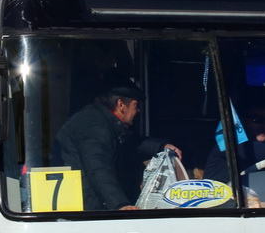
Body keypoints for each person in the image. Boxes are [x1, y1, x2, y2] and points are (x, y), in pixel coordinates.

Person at [54, 80, 181, 211]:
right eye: (135, 105)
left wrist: (161, 146)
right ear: (121, 105)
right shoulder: (94, 127)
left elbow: (131, 143)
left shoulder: (106, 122)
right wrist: (120, 205)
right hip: (89, 210)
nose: (138, 111)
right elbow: (98, 168)